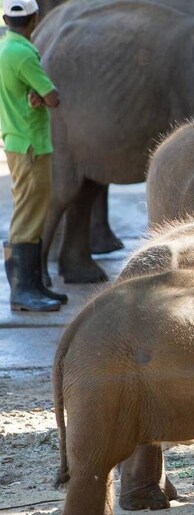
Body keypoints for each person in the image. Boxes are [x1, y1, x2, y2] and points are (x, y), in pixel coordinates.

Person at [0, 0, 67, 311]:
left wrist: (33, 97)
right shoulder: (24, 53)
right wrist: (43, 95)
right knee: (29, 214)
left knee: (30, 211)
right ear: (35, 19)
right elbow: (52, 97)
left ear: (4, 18)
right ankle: (23, 291)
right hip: (31, 145)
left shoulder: (4, 50)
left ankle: (34, 285)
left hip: (16, 139)